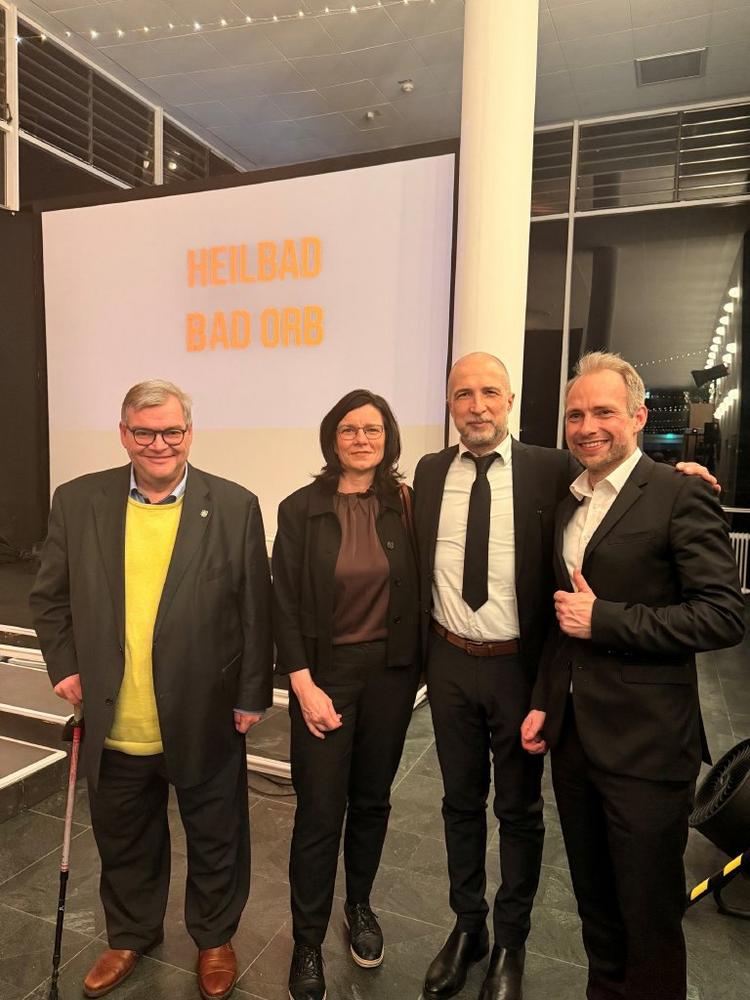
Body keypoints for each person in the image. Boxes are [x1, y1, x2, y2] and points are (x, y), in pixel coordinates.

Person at [30, 380, 273, 1000]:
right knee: (124, 837)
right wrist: (63, 667)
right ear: (123, 434)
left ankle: (214, 939)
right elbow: (50, 598)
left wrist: (252, 694)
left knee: (216, 836)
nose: (158, 444)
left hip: (204, 714)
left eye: (171, 431)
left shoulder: (235, 505)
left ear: (190, 433)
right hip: (116, 716)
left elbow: (255, 610)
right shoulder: (77, 501)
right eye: (144, 432)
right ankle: (130, 935)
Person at [521, 351, 745, 1000]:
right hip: (576, 741)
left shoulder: (679, 493)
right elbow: (564, 622)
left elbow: (722, 616)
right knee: (595, 905)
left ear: (639, 417)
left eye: (604, 412)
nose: (588, 426)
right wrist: (544, 702)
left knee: (647, 918)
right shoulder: (572, 502)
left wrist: (608, 620)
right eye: (575, 415)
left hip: (648, 747)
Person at [413, 351, 579, 1000]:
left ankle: (511, 940)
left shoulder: (551, 468)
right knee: (459, 803)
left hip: (518, 668)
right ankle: (468, 927)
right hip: (449, 662)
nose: (476, 406)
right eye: (463, 394)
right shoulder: (430, 471)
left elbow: (616, 486)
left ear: (511, 400)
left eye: (489, 392)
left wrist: (676, 477)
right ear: (449, 404)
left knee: (518, 809)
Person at [273, 389, 420, 1000]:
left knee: (372, 800)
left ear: (388, 440)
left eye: (373, 430)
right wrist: (301, 681)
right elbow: (282, 601)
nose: (362, 439)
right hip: (324, 676)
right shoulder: (299, 508)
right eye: (350, 429)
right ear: (332, 438)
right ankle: (307, 940)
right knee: (318, 810)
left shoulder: (407, 504)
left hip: (390, 675)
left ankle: (358, 905)